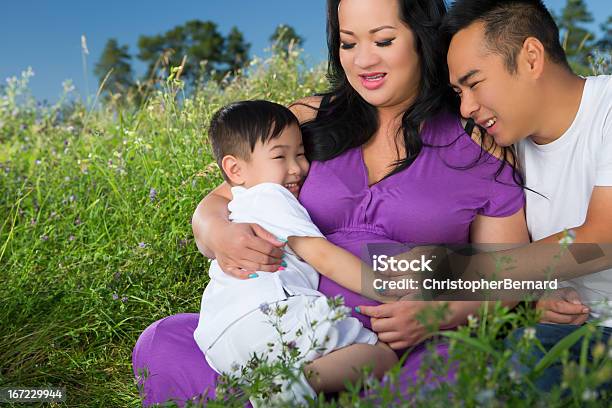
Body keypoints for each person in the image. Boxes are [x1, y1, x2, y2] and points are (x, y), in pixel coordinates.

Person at [132, 0, 529, 405]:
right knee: (164, 341)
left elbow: (511, 273)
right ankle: (274, 391)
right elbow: (220, 201)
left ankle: (270, 394)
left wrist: (440, 315)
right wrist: (217, 232)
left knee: (447, 376)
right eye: (348, 43)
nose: (363, 60)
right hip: (284, 327)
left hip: (399, 347)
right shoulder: (303, 120)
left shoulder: (478, 145)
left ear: (423, 38)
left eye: (384, 40)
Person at [443, 0, 611, 391]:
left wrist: (442, 281)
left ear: (531, 57)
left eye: (474, 83)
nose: (466, 107)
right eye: (458, 92)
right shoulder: (505, 147)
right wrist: (538, 303)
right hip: (575, 336)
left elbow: (599, 240)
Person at [195, 99, 397, 405]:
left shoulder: (242, 201)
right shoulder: (270, 196)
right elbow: (323, 257)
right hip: (275, 312)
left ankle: (281, 387)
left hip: (219, 339)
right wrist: (392, 292)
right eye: (280, 156)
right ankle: (291, 387)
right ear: (235, 169)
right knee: (382, 357)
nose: (298, 168)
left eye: (301, 154)